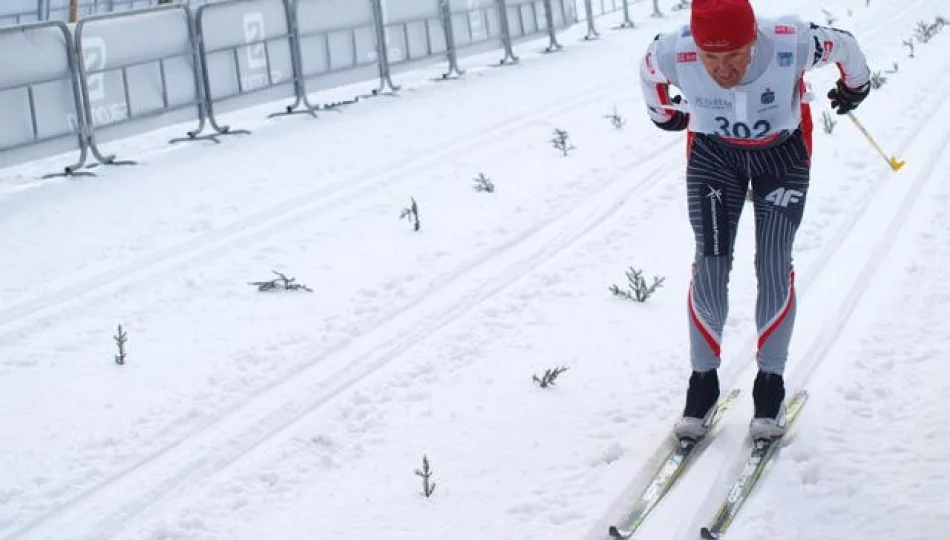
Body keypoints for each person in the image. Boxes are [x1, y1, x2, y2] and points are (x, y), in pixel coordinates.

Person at [638, 0, 871, 441]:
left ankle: (771, 384)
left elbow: (846, 46)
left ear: (754, 40)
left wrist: (855, 86)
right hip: (713, 154)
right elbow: (648, 74)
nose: (723, 70)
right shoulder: (673, 52)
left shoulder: (794, 43)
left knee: (772, 261)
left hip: (781, 155)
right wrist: (663, 114)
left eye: (735, 57)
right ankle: (702, 384)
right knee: (710, 261)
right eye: (711, 59)